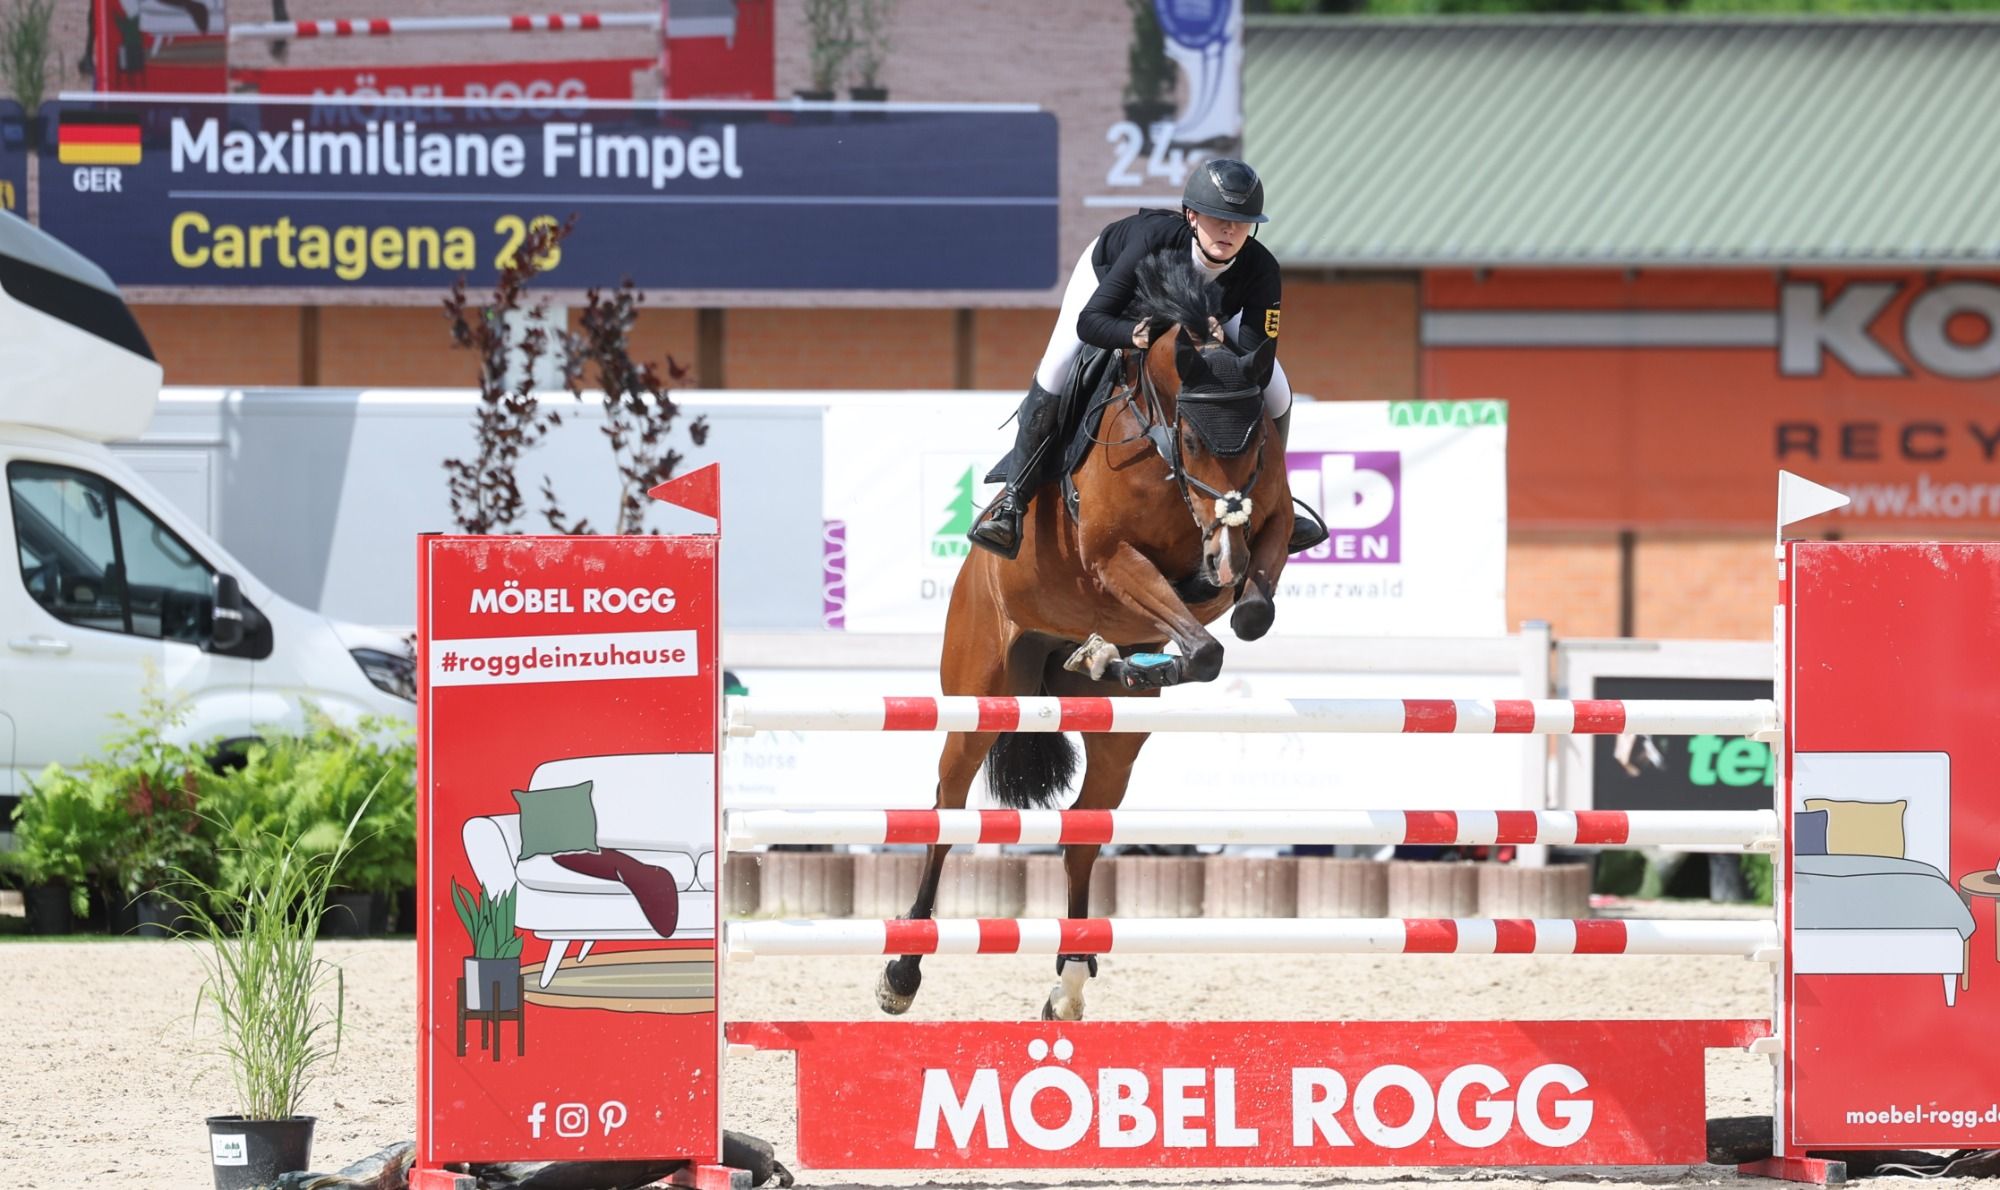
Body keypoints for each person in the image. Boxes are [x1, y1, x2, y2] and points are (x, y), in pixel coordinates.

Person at [968, 158, 1326, 560]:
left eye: (1241, 223)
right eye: (1218, 219)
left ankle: (1274, 497)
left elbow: (1257, 361)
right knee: (1056, 367)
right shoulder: (1153, 241)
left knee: (1277, 390)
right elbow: (1091, 322)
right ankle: (1013, 501)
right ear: (1192, 216)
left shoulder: (1262, 268)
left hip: (1214, 314)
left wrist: (1220, 341)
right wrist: (1135, 334)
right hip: (1116, 286)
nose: (1229, 230)